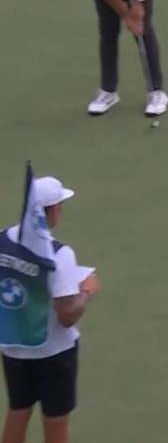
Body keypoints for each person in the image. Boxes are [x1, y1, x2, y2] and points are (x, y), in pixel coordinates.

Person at [0, 177, 99, 443]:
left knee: (18, 410)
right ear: (52, 210)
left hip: (13, 347)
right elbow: (67, 315)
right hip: (54, 353)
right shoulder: (59, 254)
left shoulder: (0, 240)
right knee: (55, 420)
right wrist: (86, 291)